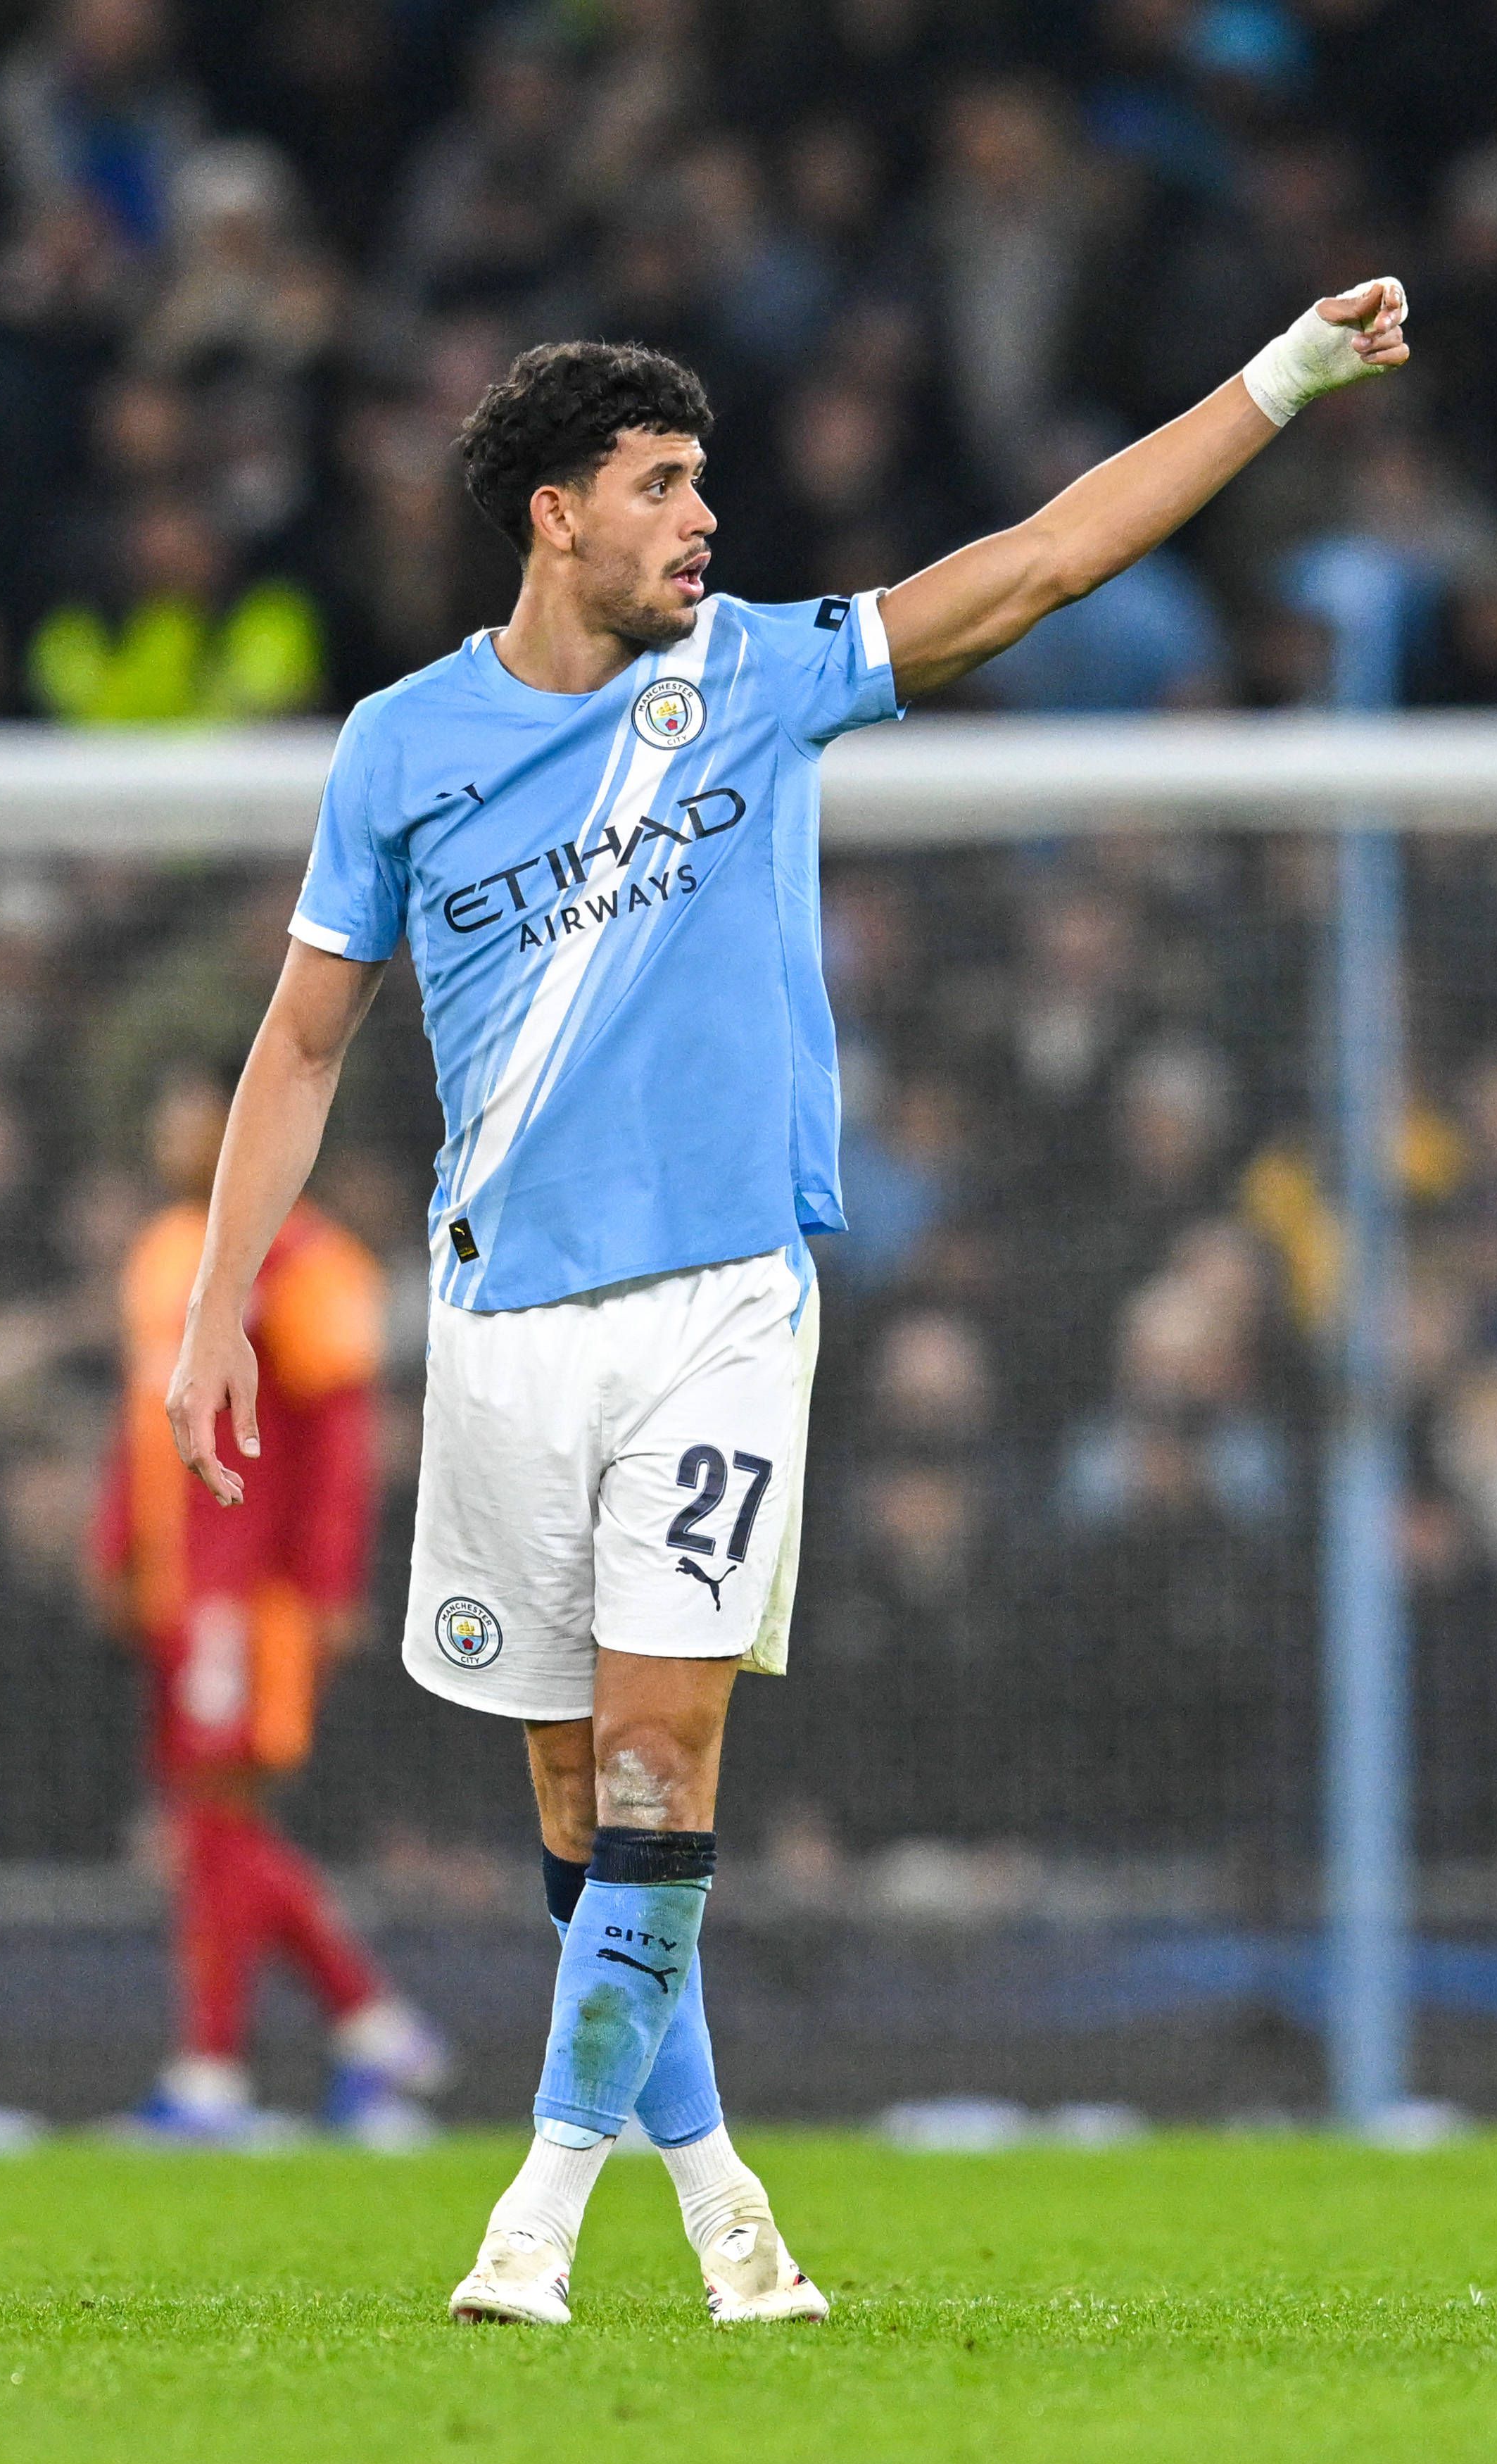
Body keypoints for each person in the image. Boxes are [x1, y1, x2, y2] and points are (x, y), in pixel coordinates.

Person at [158, 286, 1411, 2324]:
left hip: (722, 1303)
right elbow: (302, 1043)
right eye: (661, 487)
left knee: (662, 1762)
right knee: (576, 1805)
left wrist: (1281, 376)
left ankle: (537, 2212)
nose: (702, 519)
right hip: (501, 1324)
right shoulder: (401, 747)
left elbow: (1042, 563)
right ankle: (722, 2198)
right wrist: (219, 1298)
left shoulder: (754, 674)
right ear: (555, 514)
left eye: (703, 483)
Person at [93, 1065, 446, 2143]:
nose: (170, 1136)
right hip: (180, 1587)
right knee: (214, 1826)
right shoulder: (164, 1252)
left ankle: (219, 2071)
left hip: (252, 1590)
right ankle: (370, 2030)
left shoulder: (311, 1263)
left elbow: (341, 1442)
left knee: (213, 1822)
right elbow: (143, 1422)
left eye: (190, 1116)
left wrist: (333, 1582)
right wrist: (116, 1546)